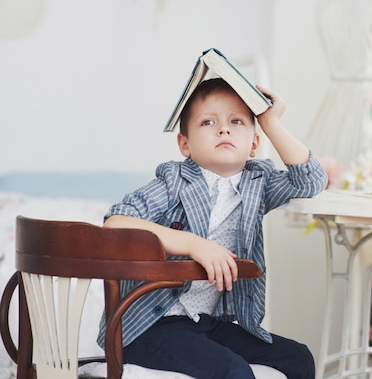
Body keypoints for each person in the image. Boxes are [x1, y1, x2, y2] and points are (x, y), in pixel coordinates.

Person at [97, 78, 328, 379]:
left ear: (254, 144)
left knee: (297, 357)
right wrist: (194, 244)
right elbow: (115, 223)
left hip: (205, 323)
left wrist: (270, 122)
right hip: (148, 325)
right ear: (185, 144)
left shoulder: (258, 182)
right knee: (233, 371)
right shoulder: (174, 181)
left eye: (236, 121)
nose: (224, 129)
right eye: (208, 122)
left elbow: (310, 181)